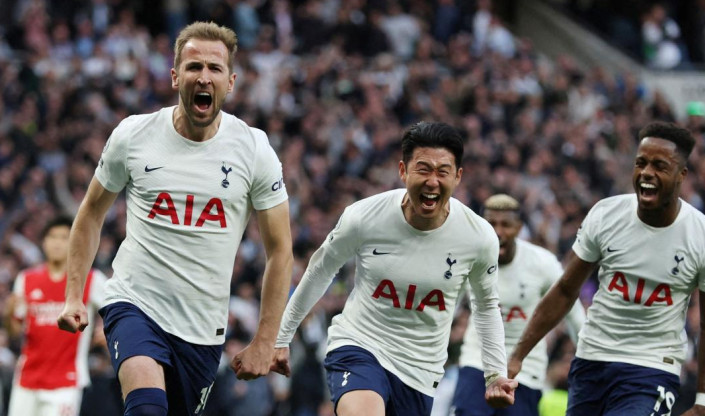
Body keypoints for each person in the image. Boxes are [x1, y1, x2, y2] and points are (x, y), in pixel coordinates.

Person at [56, 21, 293, 416]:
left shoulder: (253, 150)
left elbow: (281, 251)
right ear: (174, 76)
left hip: (202, 328)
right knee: (147, 408)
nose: (203, 77)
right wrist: (73, 296)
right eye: (193, 66)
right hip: (135, 303)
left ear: (230, 82)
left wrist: (266, 341)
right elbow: (91, 214)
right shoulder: (134, 135)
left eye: (214, 69)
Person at [272, 122, 516, 416]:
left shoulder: (478, 237)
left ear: (458, 176)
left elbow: (486, 305)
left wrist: (495, 374)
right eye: (423, 169)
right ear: (403, 171)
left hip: (420, 371)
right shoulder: (364, 217)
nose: (432, 181)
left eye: (443, 172)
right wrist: (281, 337)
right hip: (360, 344)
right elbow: (319, 272)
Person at [508, 121, 705, 416]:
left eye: (660, 166)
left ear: (682, 175)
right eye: (641, 163)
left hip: (652, 368)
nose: (647, 173)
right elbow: (565, 289)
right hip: (592, 359)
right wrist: (518, 354)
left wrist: (703, 402)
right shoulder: (606, 215)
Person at [451, 194, 585, 416]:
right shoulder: (469, 259)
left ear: (520, 227)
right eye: (491, 224)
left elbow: (573, 311)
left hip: (526, 368)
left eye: (506, 225)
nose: (498, 232)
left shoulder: (542, 263)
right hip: (478, 361)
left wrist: (590, 357)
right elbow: (447, 307)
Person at [4, 216, 107, 416]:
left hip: (66, 382)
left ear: (74, 241)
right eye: (52, 237)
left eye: (64, 237)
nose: (57, 242)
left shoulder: (90, 279)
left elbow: (117, 307)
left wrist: (110, 330)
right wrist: (8, 316)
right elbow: (16, 332)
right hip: (27, 378)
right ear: (43, 242)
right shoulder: (26, 279)